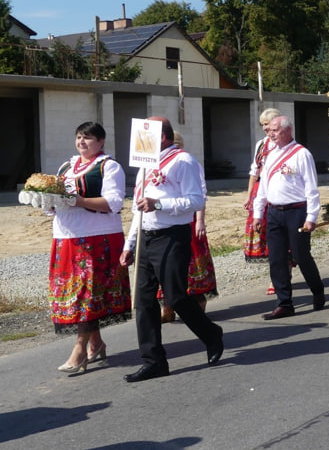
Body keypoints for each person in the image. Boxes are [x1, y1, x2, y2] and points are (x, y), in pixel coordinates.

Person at [120, 117, 224, 382]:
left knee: (176, 296)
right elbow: (137, 210)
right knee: (143, 302)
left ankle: (210, 333)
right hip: (147, 235)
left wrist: (160, 205)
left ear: (163, 138)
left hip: (172, 235)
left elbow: (196, 199)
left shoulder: (183, 161)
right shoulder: (144, 166)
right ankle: (153, 360)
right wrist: (129, 244)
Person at [50, 122, 131, 374]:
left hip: (97, 237)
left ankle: (79, 350)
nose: (82, 142)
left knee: (87, 294)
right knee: (79, 295)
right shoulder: (66, 166)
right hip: (65, 235)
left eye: (87, 138)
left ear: (101, 142)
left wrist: (78, 200)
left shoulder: (109, 166)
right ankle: (95, 344)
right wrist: (48, 201)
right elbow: (56, 201)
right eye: (78, 137)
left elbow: (114, 203)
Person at [253, 115, 326, 319]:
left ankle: (317, 290)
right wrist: (258, 214)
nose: (270, 133)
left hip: (297, 211)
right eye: (269, 130)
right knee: (276, 258)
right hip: (275, 212)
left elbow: (312, 188)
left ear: (287, 130)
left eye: (275, 130)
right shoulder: (269, 154)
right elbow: (263, 187)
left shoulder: (301, 154)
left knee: (301, 255)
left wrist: (311, 216)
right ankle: (284, 303)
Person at [158, 132, 216, 323]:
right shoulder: (156, 164)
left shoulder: (188, 163)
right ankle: (167, 307)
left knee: (193, 262)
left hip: (188, 219)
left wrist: (200, 220)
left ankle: (198, 301)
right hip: (165, 220)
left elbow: (200, 195)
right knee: (165, 263)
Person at [243, 108, 282, 264]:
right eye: (262, 125)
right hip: (261, 190)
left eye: (267, 124)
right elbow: (255, 170)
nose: (265, 128)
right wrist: (248, 195)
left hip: (277, 188)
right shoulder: (261, 144)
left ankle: (283, 267)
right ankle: (273, 267)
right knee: (261, 227)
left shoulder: (283, 144)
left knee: (278, 229)